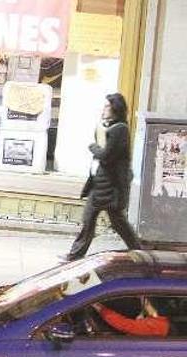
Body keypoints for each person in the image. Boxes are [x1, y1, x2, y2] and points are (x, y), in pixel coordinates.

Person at [63, 93, 141, 261]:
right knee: (89, 219)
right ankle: (74, 255)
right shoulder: (107, 126)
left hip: (111, 187)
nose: (104, 109)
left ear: (116, 109)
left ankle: (139, 251)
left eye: (107, 106)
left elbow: (106, 156)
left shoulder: (120, 129)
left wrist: (93, 147)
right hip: (100, 185)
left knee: (118, 223)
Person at [91, 298, 170, 337]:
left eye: (146, 303)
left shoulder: (157, 326)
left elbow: (122, 324)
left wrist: (99, 307)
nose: (143, 303)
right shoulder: (161, 322)